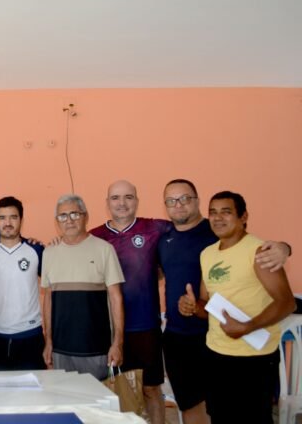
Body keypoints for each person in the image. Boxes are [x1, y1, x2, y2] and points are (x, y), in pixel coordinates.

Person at [159, 179, 291, 424]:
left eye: (226, 212)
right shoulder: (207, 253)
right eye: (214, 212)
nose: (218, 218)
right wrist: (193, 306)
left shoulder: (258, 251)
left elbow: (287, 303)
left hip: (254, 355)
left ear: (243, 217)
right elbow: (206, 303)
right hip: (216, 351)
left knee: (253, 418)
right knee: (219, 415)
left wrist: (247, 327)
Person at [90, 180, 171, 423]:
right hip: (108, 330)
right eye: (115, 198)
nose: (122, 203)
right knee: (113, 391)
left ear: (137, 200)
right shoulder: (94, 236)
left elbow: (193, 227)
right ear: (107, 203)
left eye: (128, 197)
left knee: (151, 389)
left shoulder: (155, 228)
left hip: (145, 326)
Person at [41, 194, 124, 381]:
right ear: (57, 221)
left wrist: (118, 343)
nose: (69, 220)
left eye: (75, 214)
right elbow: (48, 300)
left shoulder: (104, 249)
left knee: (96, 398)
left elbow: (116, 298)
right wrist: (48, 341)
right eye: (63, 216)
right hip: (60, 351)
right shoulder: (49, 253)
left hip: (96, 350)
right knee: (63, 397)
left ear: (85, 216)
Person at [0, 196, 45, 371]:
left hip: (30, 335)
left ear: (21, 220)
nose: (8, 223)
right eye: (2, 218)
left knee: (32, 387)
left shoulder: (36, 249)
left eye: (13, 217)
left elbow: (51, 290)